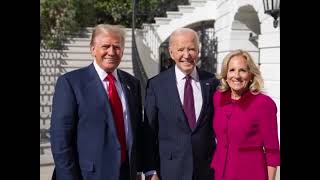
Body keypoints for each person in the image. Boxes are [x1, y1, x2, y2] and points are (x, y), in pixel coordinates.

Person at [50, 24, 143, 180]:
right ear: (93, 49)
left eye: (117, 47)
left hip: (126, 174)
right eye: (105, 46)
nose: (111, 52)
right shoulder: (71, 83)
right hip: (88, 175)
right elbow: (60, 139)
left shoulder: (132, 83)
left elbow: (136, 130)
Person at [143, 28, 219, 180]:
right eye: (180, 49)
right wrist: (150, 171)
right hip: (170, 171)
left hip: (206, 170)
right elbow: (149, 132)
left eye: (191, 49)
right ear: (171, 53)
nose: (186, 55)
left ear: (198, 51)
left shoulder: (212, 82)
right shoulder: (156, 85)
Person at [210, 49, 280, 180]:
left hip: (250, 174)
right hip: (220, 173)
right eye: (232, 70)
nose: (236, 75)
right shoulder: (218, 98)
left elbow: (272, 151)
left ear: (251, 75)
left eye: (242, 70)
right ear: (225, 74)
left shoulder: (263, 104)